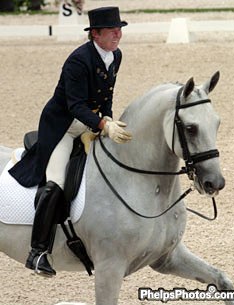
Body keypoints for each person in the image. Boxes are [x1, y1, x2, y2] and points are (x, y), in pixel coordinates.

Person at [9, 6, 132, 277]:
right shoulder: (78, 60)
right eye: (112, 30)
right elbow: (75, 105)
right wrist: (102, 125)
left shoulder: (115, 55)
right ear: (95, 35)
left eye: (119, 29)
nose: (118, 34)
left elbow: (107, 94)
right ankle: (38, 252)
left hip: (89, 124)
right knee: (56, 183)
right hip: (63, 128)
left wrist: (109, 117)